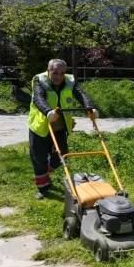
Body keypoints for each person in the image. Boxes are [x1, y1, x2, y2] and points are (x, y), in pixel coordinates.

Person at [28, 59, 96, 200]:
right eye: (55, 73)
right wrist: (48, 111)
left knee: (62, 155)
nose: (59, 77)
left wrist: (90, 107)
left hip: (59, 126)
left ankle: (45, 172)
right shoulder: (39, 80)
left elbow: (81, 94)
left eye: (62, 73)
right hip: (41, 126)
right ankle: (43, 189)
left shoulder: (69, 81)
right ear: (48, 71)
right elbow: (38, 98)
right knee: (39, 158)